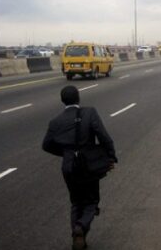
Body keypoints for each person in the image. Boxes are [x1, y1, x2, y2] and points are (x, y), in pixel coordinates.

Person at [42, 85, 117, 250]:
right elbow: (104, 136)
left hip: (68, 166)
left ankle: (78, 239)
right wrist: (110, 157)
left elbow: (46, 145)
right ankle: (81, 227)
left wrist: (67, 153)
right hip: (88, 165)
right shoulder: (89, 113)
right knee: (91, 201)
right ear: (78, 98)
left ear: (63, 101)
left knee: (76, 202)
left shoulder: (55, 122)